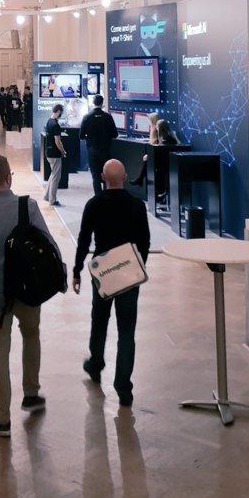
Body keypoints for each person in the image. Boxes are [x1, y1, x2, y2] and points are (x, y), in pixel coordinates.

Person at [0, 155, 59, 438]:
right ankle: (31, 392)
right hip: (28, 288)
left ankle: (2, 418)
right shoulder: (26, 206)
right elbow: (48, 241)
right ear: (9, 178)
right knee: (31, 335)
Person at [72, 158, 150, 407]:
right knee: (127, 330)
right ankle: (124, 387)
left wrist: (76, 271)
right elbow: (145, 242)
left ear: (103, 178)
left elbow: (84, 241)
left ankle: (96, 364)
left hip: (103, 269)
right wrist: (138, 266)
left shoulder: (94, 204)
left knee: (100, 318)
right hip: (128, 270)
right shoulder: (137, 205)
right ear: (125, 177)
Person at [79, 94, 118, 197]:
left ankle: (98, 197)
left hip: (92, 150)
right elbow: (115, 134)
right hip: (105, 150)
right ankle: (106, 196)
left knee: (95, 176)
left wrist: (89, 136)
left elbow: (81, 136)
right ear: (102, 103)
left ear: (93, 103)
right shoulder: (108, 117)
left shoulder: (87, 117)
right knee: (106, 174)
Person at [44, 104, 66, 206]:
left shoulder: (49, 121)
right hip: (55, 154)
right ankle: (52, 200)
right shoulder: (55, 125)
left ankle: (46, 195)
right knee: (56, 177)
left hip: (48, 152)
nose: (61, 114)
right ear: (58, 111)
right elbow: (57, 141)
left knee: (53, 175)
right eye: (61, 112)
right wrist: (63, 151)